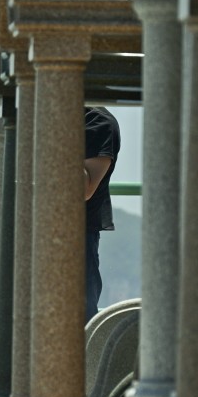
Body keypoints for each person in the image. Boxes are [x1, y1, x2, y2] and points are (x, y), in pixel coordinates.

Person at [83, 106, 120, 323]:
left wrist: (56, 131)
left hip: (75, 235)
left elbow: (83, 188)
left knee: (80, 319)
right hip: (25, 225)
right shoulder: (35, 111)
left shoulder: (97, 121)